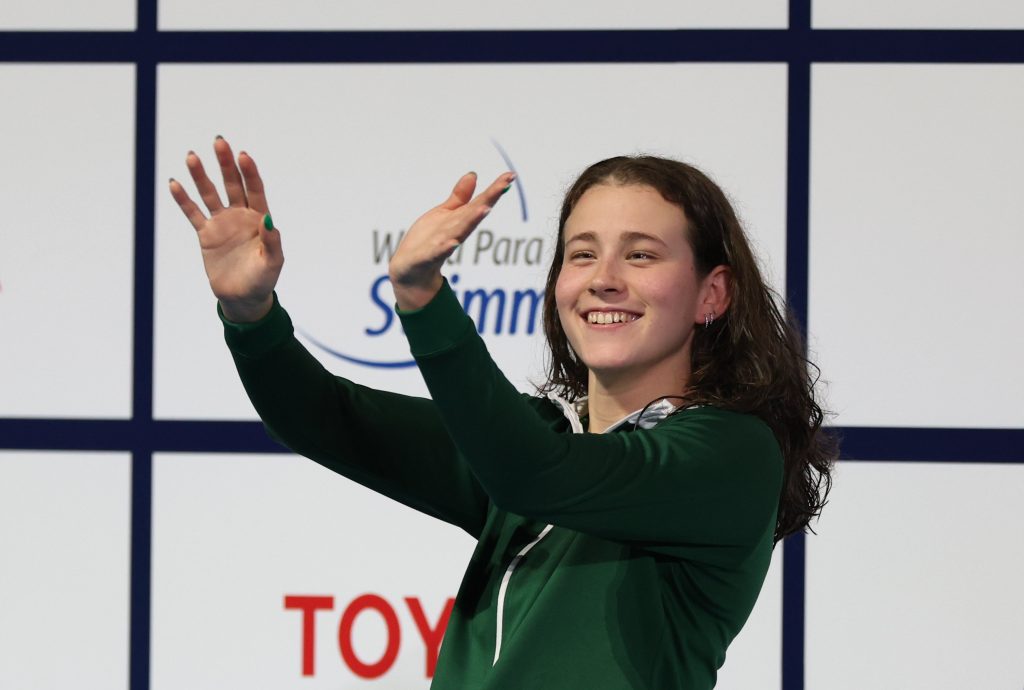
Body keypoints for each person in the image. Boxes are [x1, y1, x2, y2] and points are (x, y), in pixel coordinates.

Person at [169, 137, 836, 689]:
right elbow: (331, 418)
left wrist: (424, 299)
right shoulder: (541, 437)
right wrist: (250, 315)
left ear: (711, 295)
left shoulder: (731, 454)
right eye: (581, 253)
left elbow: (536, 475)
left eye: (641, 253)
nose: (604, 276)